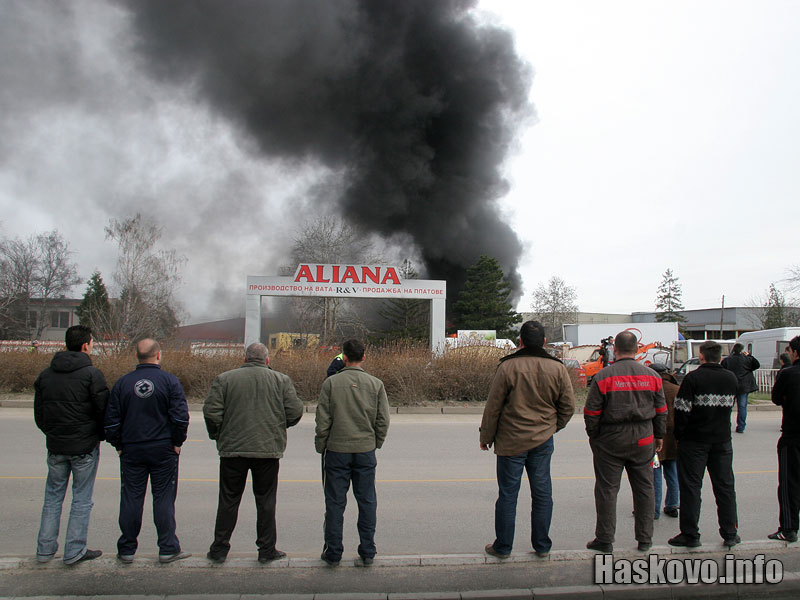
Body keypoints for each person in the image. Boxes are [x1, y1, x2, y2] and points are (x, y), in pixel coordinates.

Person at [480, 321, 575, 559]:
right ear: (544, 342)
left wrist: (486, 436)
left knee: (508, 495)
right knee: (542, 493)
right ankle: (542, 545)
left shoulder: (508, 367)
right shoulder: (558, 368)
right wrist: (553, 427)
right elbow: (568, 407)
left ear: (520, 341)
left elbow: (494, 407)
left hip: (511, 441)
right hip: (542, 440)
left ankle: (503, 547)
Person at [204, 342, 303, 563]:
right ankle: (266, 550)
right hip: (267, 451)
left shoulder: (225, 379)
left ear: (244, 359)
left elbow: (212, 413)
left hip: (232, 451)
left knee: (228, 500)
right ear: (267, 360)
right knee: (266, 501)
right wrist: (278, 425)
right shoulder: (281, 380)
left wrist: (218, 435)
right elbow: (295, 411)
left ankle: (219, 549)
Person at [104, 339, 191, 564]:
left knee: (131, 497)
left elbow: (112, 421)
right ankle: (167, 548)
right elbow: (180, 417)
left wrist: (119, 445)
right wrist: (177, 441)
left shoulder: (123, 383)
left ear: (137, 356)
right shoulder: (170, 381)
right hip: (163, 448)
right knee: (163, 497)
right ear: (158, 355)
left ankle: (127, 549)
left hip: (132, 449)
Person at [584, 330, 666, 553]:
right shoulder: (652, 376)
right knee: (644, 488)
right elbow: (661, 411)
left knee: (607, 490)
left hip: (611, 439)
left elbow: (591, 413)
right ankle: (645, 539)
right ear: (638, 348)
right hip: (643, 438)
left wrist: (595, 436)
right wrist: (659, 436)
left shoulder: (604, 376)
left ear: (615, 350)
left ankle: (605, 539)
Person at [33, 325, 108, 564]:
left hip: (56, 446)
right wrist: (99, 435)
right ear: (86, 345)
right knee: (82, 499)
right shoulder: (91, 374)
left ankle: (45, 550)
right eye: (92, 342)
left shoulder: (46, 374)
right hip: (84, 448)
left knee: (53, 497)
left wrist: (53, 432)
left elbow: (40, 414)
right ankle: (74, 550)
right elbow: (103, 411)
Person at [315, 339, 390, 566]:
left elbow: (323, 420)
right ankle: (367, 551)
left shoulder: (331, 384)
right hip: (365, 450)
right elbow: (383, 420)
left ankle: (333, 552)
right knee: (367, 501)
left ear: (344, 357)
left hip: (337, 450)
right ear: (364, 357)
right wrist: (375, 442)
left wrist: (321, 445)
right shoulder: (376, 384)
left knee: (335, 503)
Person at [669, 340, 740, 548]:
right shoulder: (731, 378)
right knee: (725, 487)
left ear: (701, 356)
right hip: (722, 440)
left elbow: (681, 411)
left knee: (691, 488)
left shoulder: (693, 379)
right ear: (720, 357)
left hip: (694, 441)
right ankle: (730, 532)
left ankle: (690, 534)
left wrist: (680, 436)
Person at [769, 336, 800, 542]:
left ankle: (788, 528)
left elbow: (776, 398)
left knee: (790, 483)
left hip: (793, 435)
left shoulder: (788, 373)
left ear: (795, 352)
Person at [649, 363, 680, 519]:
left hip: (655, 438)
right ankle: (673, 504)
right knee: (672, 472)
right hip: (673, 439)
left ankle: (654, 509)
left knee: (655, 473)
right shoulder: (677, 390)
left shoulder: (652, 389)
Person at [721, 343, 760, 433]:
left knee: (728, 406)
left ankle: (726, 425)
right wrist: (750, 355)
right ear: (742, 350)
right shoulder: (748, 359)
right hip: (744, 386)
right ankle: (741, 426)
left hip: (730, 385)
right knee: (742, 406)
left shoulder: (727, 360)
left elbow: (723, 370)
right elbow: (756, 365)